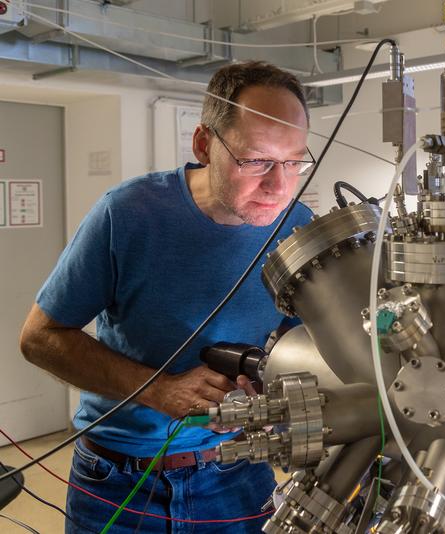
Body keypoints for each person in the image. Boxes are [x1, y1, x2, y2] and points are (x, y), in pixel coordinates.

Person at [19, 61, 315, 533]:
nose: (278, 185)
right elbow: (40, 338)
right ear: (204, 144)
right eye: (256, 160)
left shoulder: (297, 225)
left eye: (294, 161)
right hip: (119, 478)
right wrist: (159, 391)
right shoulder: (129, 214)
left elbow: (298, 334)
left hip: (238, 475)